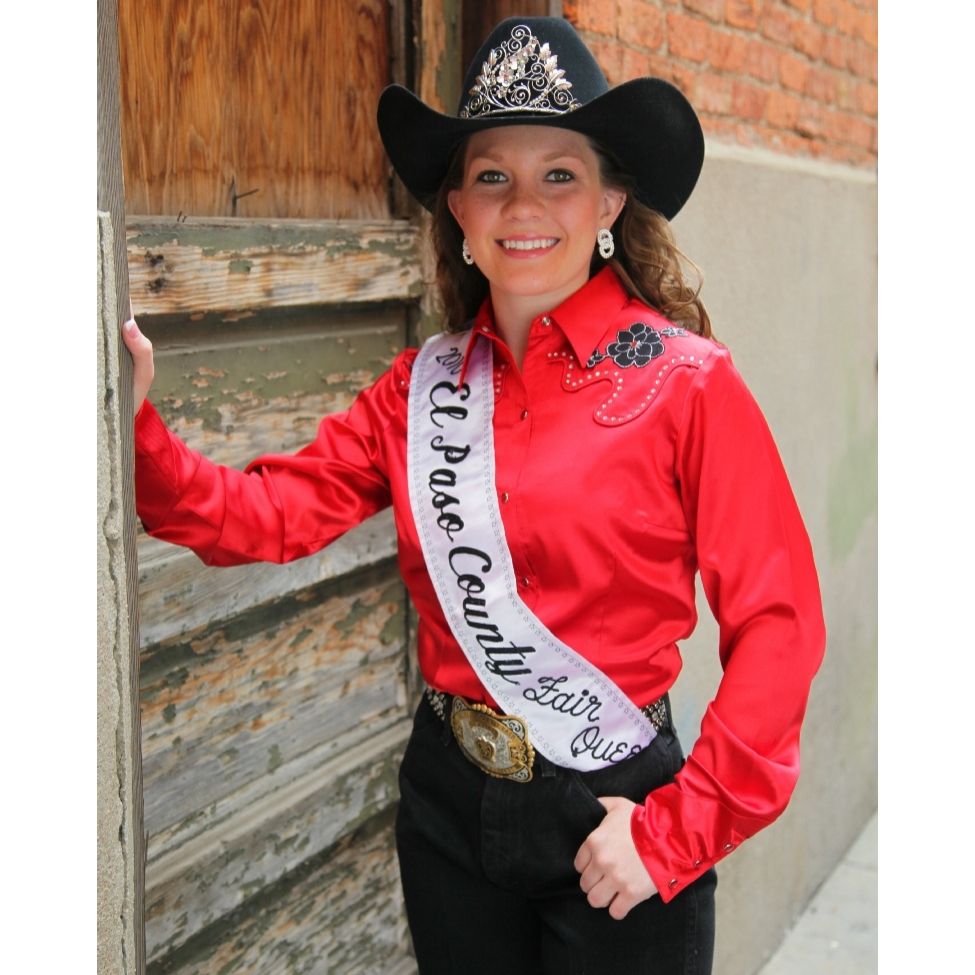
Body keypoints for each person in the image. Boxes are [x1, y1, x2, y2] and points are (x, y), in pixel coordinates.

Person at [123, 16, 825, 975]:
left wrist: (677, 831)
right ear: (457, 206)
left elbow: (779, 622)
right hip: (451, 804)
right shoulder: (418, 390)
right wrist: (129, 427)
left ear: (612, 198)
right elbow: (264, 516)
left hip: (612, 807)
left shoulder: (685, 383)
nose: (522, 202)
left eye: (559, 173)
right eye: (491, 174)